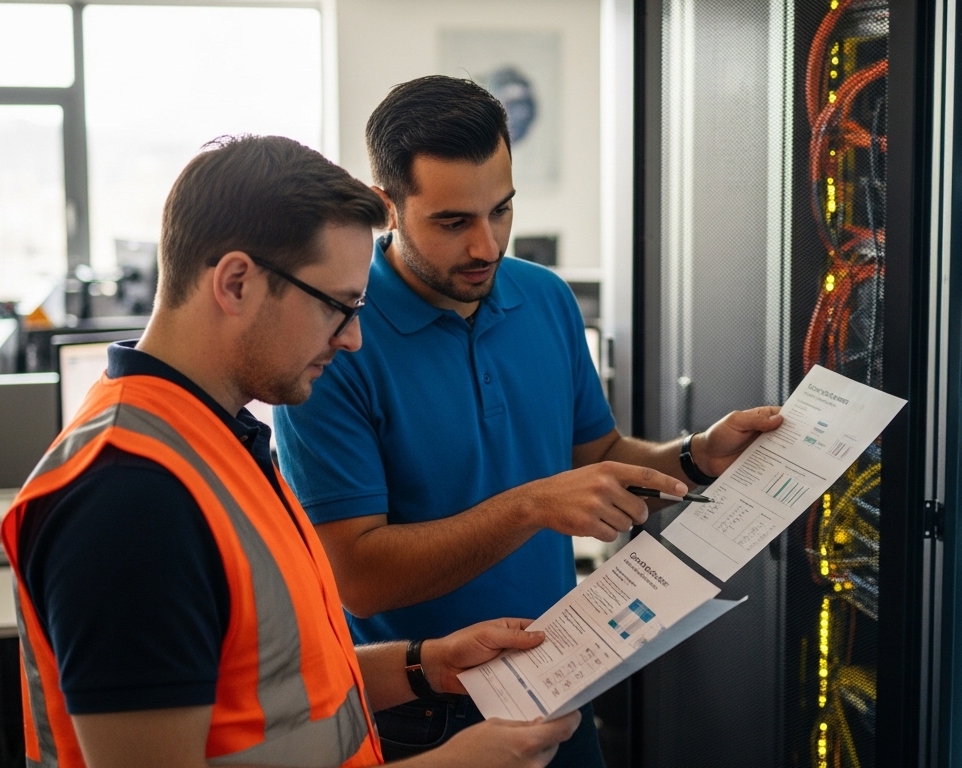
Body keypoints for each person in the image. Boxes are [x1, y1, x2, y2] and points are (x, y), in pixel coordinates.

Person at [0, 135, 579, 768]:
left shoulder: (213, 438)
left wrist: (424, 666)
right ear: (237, 282)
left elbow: (268, 683)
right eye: (339, 306)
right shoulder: (129, 496)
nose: (355, 338)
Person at [273, 76, 782, 766]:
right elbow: (357, 575)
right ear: (387, 208)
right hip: (423, 714)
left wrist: (694, 457)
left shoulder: (545, 298)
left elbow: (593, 453)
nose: (487, 246)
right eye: (453, 222)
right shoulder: (334, 338)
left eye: (502, 211)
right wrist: (533, 506)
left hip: (561, 679)